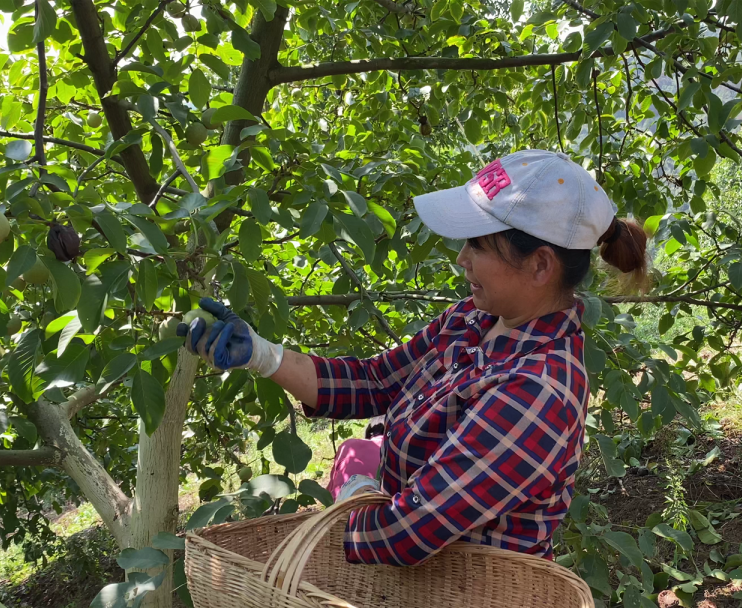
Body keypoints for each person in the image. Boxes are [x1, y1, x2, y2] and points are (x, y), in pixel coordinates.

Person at [178, 150, 648, 567]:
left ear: (540, 265)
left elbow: (405, 533)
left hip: (467, 588)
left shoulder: (537, 390)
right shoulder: (474, 319)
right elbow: (374, 381)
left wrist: (351, 498)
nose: (462, 258)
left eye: (479, 245)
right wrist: (263, 355)